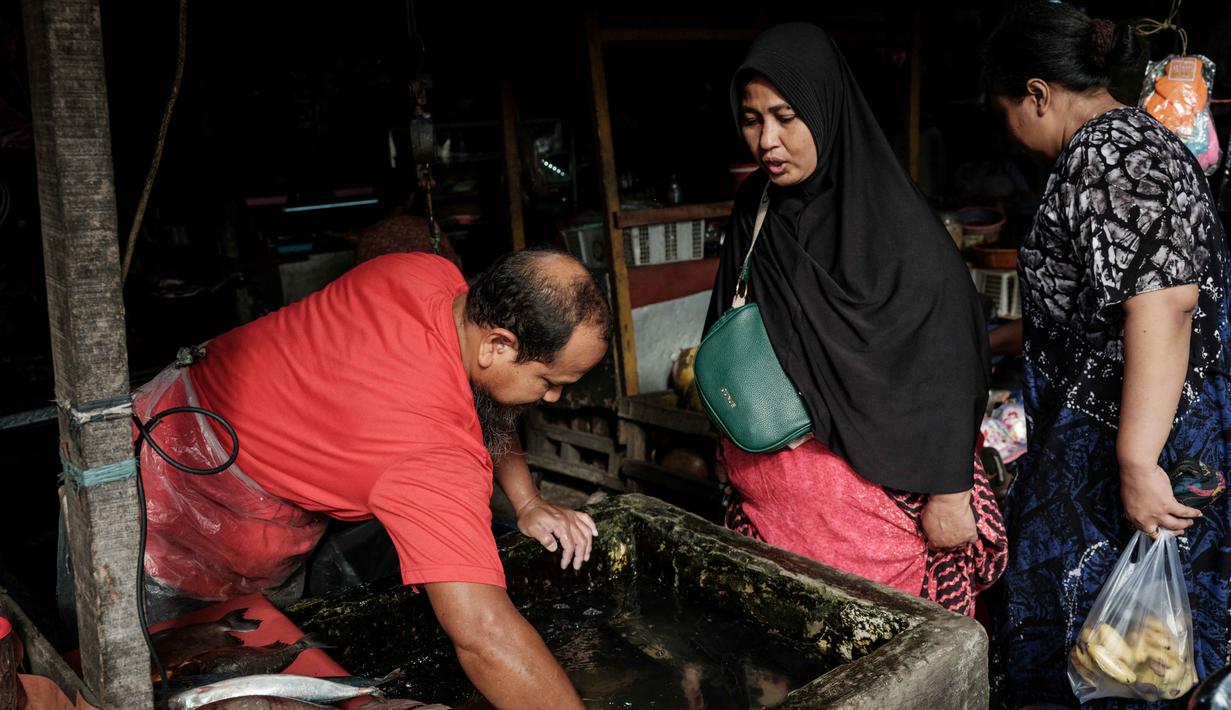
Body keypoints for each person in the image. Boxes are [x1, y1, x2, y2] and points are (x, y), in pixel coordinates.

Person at [135, 249, 610, 709]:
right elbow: (486, 636)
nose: (552, 398)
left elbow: (487, 396)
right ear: (497, 345)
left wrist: (526, 502)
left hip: (170, 403)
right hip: (184, 505)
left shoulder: (430, 275)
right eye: (549, 382)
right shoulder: (428, 450)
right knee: (172, 675)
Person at [706, 23, 1005, 617]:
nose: (767, 139)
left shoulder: (901, 231)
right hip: (773, 518)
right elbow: (730, 331)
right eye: (751, 118)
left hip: (882, 530)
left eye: (786, 116)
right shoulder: (755, 211)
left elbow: (948, 364)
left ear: (826, 108)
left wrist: (949, 494)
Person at [983, 3, 1231, 705]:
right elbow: (1112, 308)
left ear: (1036, 92)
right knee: (1142, 655)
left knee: (1104, 652)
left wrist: (1134, 461)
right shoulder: (1143, 141)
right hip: (1155, 435)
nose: (1012, 131)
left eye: (1008, 110)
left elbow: (1165, 299)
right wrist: (1002, 340)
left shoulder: (1104, 152)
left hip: (1123, 451)